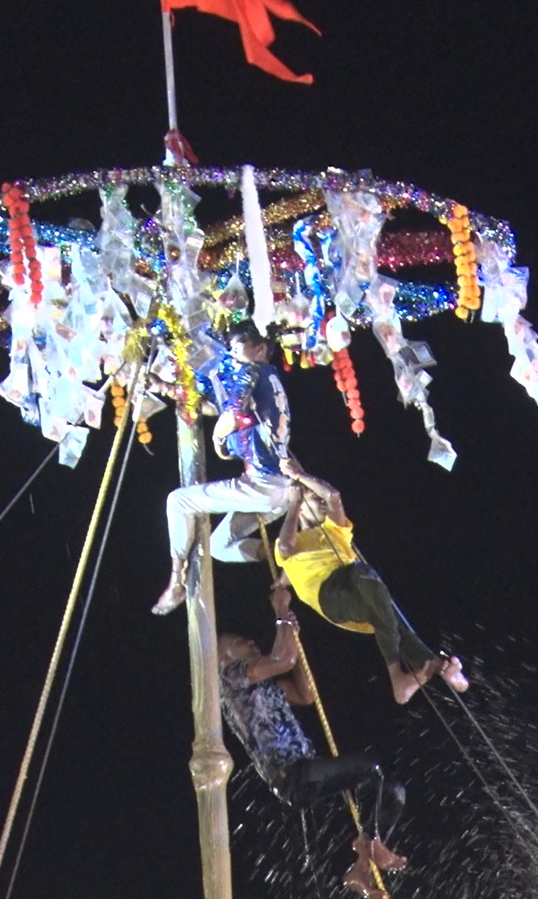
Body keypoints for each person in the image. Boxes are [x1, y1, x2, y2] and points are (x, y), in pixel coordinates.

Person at [219, 585, 408, 895]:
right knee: (368, 766)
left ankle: (361, 869)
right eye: (240, 642)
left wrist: (292, 633)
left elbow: (305, 694)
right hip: (293, 776)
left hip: (308, 772)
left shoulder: (264, 689)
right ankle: (368, 844)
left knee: (392, 792)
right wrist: (281, 611)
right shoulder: (231, 678)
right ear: (225, 658)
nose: (250, 641)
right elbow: (283, 659)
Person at [274, 465, 469, 705]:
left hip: (362, 593)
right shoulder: (289, 541)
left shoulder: (335, 531)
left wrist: (301, 476)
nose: (322, 504)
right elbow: (285, 548)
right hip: (331, 596)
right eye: (315, 500)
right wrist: (293, 502)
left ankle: (442, 670)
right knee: (366, 576)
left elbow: (333, 496)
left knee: (388, 610)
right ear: (302, 505)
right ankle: (399, 676)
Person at [152, 320, 294, 615]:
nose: (231, 352)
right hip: (279, 489)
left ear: (260, 348)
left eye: (237, 345)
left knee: (177, 501)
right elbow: (216, 409)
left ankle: (176, 580)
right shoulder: (270, 379)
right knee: (219, 546)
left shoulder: (252, 370)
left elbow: (230, 413)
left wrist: (217, 438)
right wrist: (167, 388)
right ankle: (286, 559)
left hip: (263, 484)